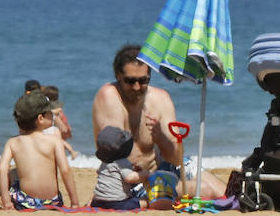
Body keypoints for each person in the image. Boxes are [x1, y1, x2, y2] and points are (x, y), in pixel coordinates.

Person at [91, 44, 225, 200]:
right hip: (130, 182)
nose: (136, 87)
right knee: (204, 191)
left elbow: (176, 159)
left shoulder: (161, 99)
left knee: (224, 192)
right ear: (118, 75)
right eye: (130, 81)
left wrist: (161, 138)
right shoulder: (109, 96)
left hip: (163, 168)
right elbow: (114, 154)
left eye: (143, 81)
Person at [0, 91, 80, 210]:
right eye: (50, 113)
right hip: (52, 202)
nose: (53, 115)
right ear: (41, 118)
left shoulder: (13, 142)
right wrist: (75, 203)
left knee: (13, 176)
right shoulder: (54, 141)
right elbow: (65, 171)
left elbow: (1, 169)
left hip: (25, 202)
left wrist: (6, 201)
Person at [91, 126, 146, 210]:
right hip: (117, 203)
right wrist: (145, 174)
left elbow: (107, 174)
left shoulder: (105, 162)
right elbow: (130, 178)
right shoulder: (122, 162)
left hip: (98, 201)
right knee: (144, 202)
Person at [39, 84, 78, 159]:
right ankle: (69, 153)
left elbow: (58, 116)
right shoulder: (55, 105)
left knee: (60, 142)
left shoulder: (50, 106)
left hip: (58, 126)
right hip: (59, 125)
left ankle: (72, 152)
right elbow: (61, 116)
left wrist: (64, 127)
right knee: (60, 143)